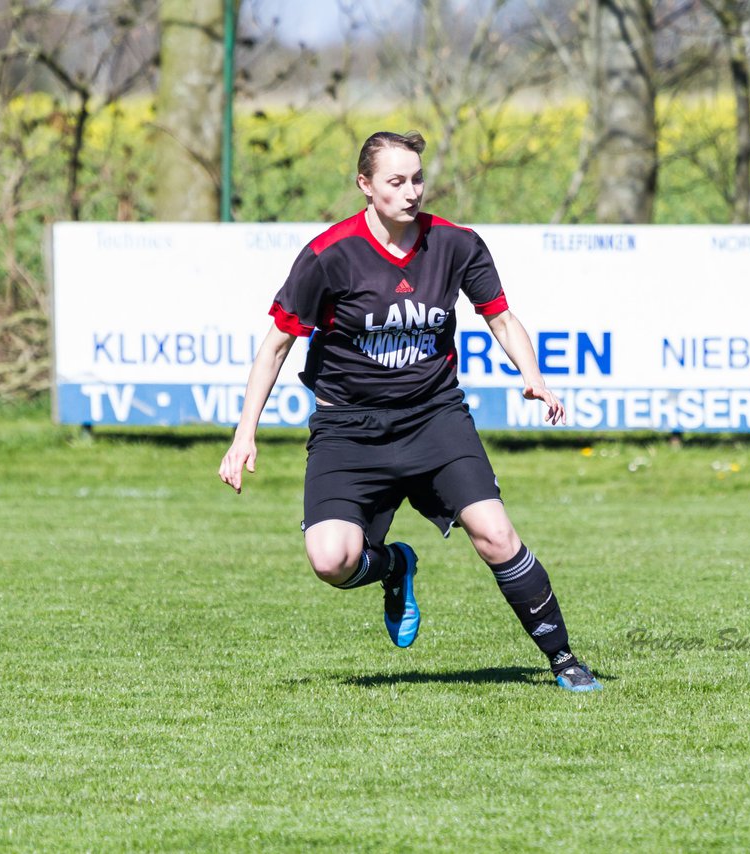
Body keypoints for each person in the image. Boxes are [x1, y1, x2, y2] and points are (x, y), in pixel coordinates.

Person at [217, 131, 600, 692]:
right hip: (348, 428)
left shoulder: (456, 244)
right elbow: (275, 346)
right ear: (365, 186)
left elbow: (501, 317)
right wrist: (243, 434)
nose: (411, 191)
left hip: (433, 418)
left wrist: (534, 379)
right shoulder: (329, 256)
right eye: (396, 181)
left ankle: (564, 659)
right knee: (331, 561)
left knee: (495, 534)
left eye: (417, 178)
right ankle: (394, 566)